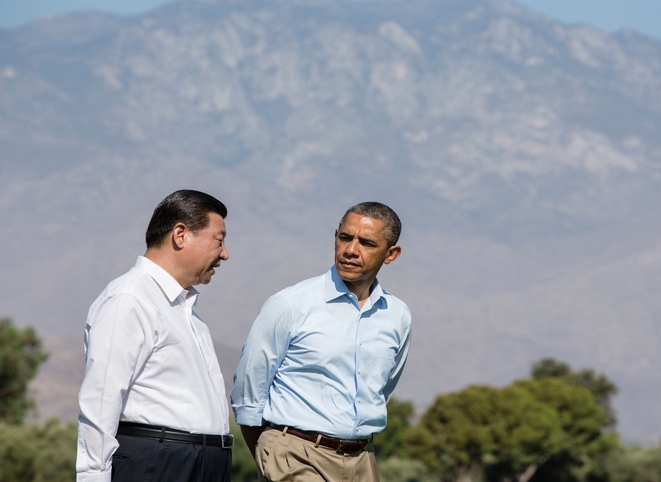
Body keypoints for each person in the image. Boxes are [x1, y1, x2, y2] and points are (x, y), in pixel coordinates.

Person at [231, 202, 411, 482]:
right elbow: (248, 393)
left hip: (364, 459)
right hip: (295, 455)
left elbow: (382, 390)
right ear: (335, 235)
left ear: (391, 254)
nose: (350, 250)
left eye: (366, 243)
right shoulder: (289, 305)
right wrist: (272, 452)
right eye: (345, 237)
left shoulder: (397, 315)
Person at [76, 190, 234, 482]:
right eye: (219, 239)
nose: (224, 253)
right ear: (180, 234)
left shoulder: (186, 311)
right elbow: (101, 400)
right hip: (159, 463)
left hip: (201, 464)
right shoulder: (129, 298)